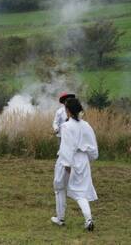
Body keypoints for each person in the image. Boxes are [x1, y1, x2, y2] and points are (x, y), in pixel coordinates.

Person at [51, 98, 99, 231]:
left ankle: (60, 218)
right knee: (81, 192)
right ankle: (88, 219)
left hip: (68, 160)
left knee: (59, 187)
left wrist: (67, 165)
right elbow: (94, 149)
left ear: (68, 111)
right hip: (83, 160)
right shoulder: (86, 125)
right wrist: (88, 159)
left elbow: (67, 147)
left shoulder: (66, 126)